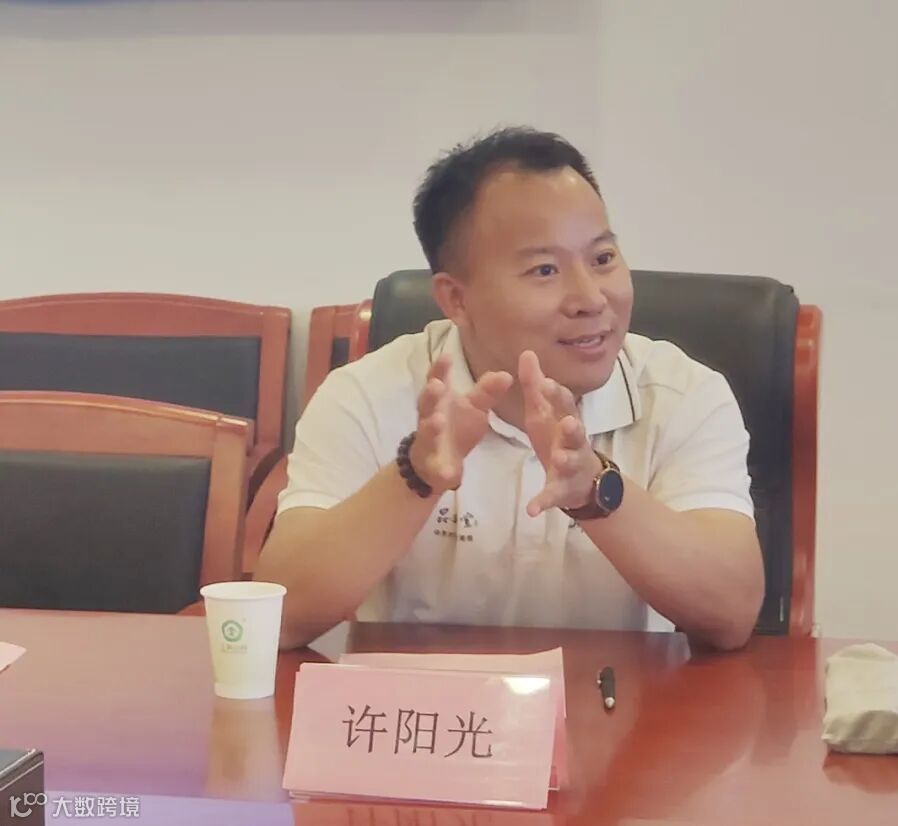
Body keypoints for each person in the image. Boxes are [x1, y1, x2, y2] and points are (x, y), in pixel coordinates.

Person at [255, 126, 765, 651]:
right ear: (456, 299)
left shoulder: (683, 395)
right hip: (423, 700)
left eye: (602, 259)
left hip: (617, 697)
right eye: (544, 270)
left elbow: (731, 613)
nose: (591, 298)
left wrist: (594, 488)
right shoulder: (365, 395)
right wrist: (416, 477)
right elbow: (283, 616)